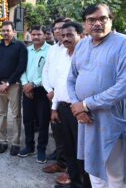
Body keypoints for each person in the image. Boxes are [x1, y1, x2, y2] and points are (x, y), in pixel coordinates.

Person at [67, 3, 126, 188]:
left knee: (115, 173)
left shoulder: (123, 43)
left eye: (103, 19)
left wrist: (85, 104)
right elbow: (71, 79)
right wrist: (78, 108)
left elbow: (123, 85)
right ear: (85, 24)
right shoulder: (82, 45)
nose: (97, 24)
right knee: (93, 169)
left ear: (111, 20)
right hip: (86, 120)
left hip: (111, 118)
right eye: (91, 20)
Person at [51, 22, 91, 188]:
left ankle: (86, 184)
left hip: (80, 110)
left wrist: (83, 108)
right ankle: (74, 182)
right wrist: (54, 107)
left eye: (70, 35)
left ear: (81, 36)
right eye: (63, 35)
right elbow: (59, 84)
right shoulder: (61, 55)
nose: (65, 38)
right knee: (69, 149)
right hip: (63, 108)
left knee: (83, 152)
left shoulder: (86, 56)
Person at [41, 17, 72, 185]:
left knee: (70, 137)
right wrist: (49, 90)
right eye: (57, 29)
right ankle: (61, 163)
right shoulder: (53, 49)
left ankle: (71, 170)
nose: (59, 31)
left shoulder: (72, 49)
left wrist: (56, 92)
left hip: (66, 98)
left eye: (62, 28)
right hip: (52, 95)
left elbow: (65, 77)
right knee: (58, 133)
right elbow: (46, 70)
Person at [0, 21, 27, 155]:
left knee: (16, 115)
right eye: (3, 30)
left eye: (8, 30)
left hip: (14, 86)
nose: (5, 33)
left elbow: (21, 67)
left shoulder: (20, 46)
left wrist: (8, 83)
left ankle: (16, 142)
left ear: (13, 32)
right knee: (1, 114)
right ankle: (3, 141)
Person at [18, 25, 51, 163]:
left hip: (42, 90)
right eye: (34, 34)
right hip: (27, 89)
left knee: (43, 121)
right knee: (28, 120)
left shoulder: (51, 51)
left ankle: (41, 149)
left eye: (39, 34)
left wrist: (34, 84)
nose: (36, 37)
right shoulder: (27, 50)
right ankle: (29, 147)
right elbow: (22, 68)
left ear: (45, 35)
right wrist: (26, 85)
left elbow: (49, 72)